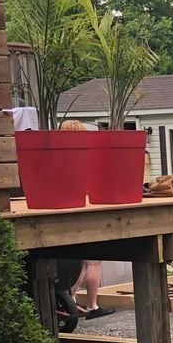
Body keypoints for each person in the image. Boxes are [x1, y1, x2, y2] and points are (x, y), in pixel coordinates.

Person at [59, 120, 114, 320]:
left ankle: (70, 299)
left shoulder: (58, 155)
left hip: (63, 209)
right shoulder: (85, 154)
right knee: (93, 261)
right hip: (84, 208)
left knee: (77, 260)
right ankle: (92, 304)